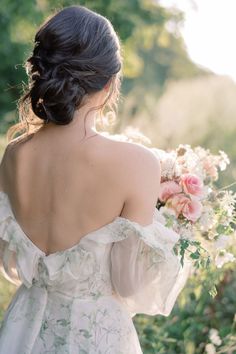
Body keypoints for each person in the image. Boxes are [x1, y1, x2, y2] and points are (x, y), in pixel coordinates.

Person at [0, 5, 192, 353]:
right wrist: (172, 229)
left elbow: (12, 263)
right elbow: (130, 284)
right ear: (108, 83)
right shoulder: (136, 163)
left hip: (22, 329)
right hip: (96, 337)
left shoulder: (14, 154)